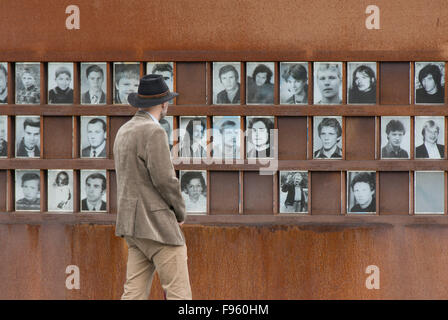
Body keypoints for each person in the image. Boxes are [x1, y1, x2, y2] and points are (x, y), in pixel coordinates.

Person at [113, 74, 191, 300]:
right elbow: (165, 179)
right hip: (158, 226)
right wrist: (179, 212)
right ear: (164, 103)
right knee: (179, 295)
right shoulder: (154, 131)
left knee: (133, 294)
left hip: (132, 226)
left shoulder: (124, 131)